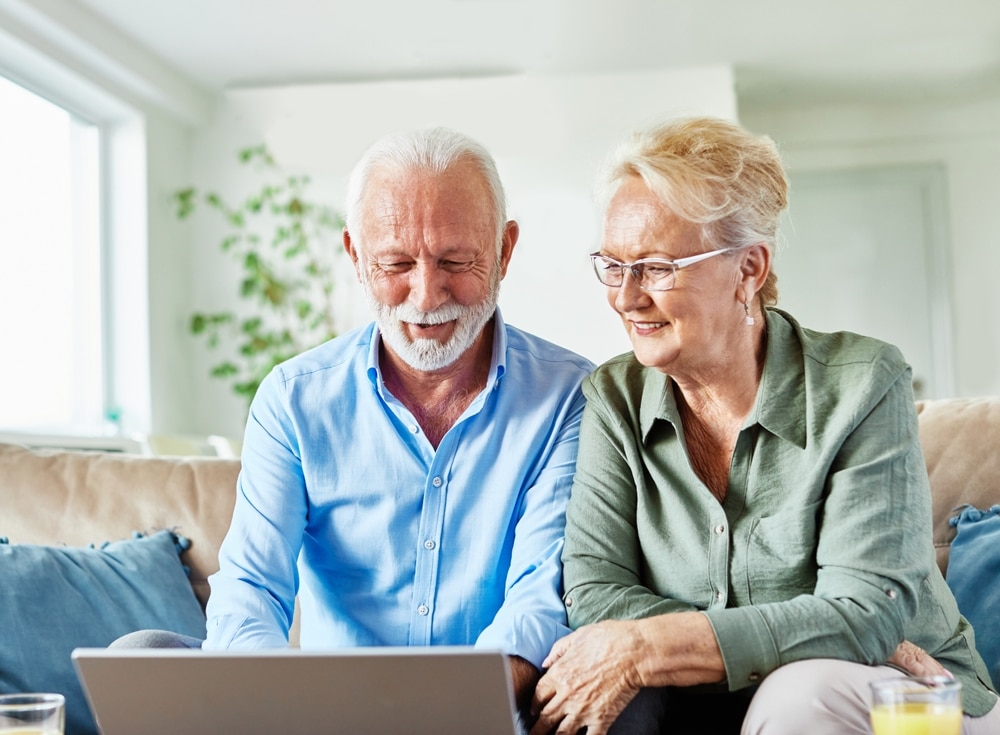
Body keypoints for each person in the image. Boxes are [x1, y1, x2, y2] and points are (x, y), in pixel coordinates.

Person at [528, 116, 1000, 735]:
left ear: (748, 269)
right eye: (613, 265)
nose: (625, 296)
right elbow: (594, 593)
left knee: (802, 691)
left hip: (909, 701)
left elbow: (866, 617)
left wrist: (657, 644)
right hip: (716, 707)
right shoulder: (613, 397)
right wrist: (806, 629)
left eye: (657, 267)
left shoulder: (863, 384)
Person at [122, 127, 594, 718]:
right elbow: (252, 590)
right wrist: (271, 710)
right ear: (354, 256)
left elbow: (539, 597)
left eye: (456, 260)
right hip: (322, 714)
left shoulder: (569, 396)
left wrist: (452, 715)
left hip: (491, 708)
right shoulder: (293, 400)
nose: (426, 296)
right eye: (396, 263)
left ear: (503, 251)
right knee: (145, 652)